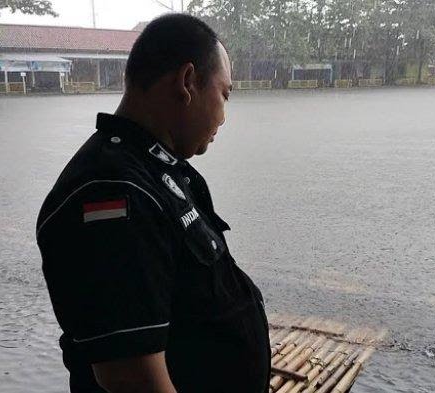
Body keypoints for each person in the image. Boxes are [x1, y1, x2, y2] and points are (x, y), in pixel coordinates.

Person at [35, 14, 270, 393]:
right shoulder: (111, 194)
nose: (224, 117)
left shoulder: (159, 169)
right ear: (187, 82)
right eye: (224, 95)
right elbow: (131, 377)